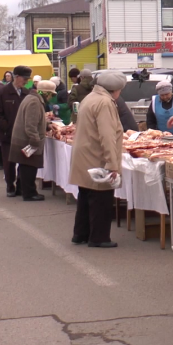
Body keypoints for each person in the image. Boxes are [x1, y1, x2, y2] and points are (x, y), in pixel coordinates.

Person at [69, 70, 126, 248]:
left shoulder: (90, 97)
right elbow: (107, 135)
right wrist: (112, 164)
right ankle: (99, 237)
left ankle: (80, 233)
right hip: (96, 157)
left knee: (85, 196)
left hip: (84, 154)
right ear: (115, 89)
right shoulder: (105, 103)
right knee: (101, 199)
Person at [9, 80, 55, 202]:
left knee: (24, 167)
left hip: (23, 138)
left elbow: (34, 120)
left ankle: (23, 189)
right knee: (29, 167)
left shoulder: (31, 98)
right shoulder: (35, 102)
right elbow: (30, 125)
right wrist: (35, 140)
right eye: (51, 94)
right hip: (27, 140)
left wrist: (47, 125)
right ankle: (29, 193)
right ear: (45, 93)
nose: (52, 97)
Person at [0, 65, 31, 197]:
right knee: (9, 162)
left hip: (24, 135)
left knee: (24, 160)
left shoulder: (27, 93)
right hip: (7, 134)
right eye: (24, 79)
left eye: (27, 79)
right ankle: (10, 185)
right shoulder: (2, 93)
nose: (26, 81)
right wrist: (7, 127)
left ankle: (20, 185)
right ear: (16, 77)